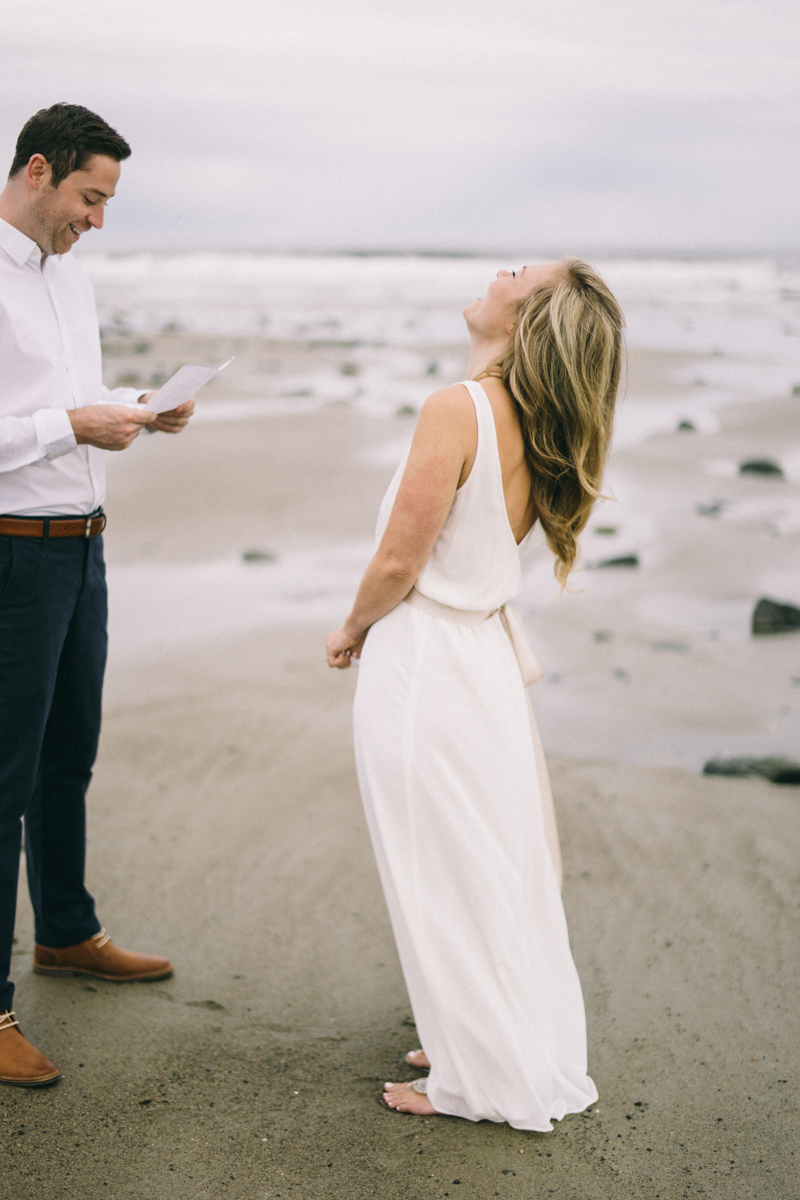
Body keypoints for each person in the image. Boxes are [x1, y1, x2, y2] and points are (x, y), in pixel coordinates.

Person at [326, 258, 622, 1129]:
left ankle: (477, 1077)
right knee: (487, 858)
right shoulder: (542, 419)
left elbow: (397, 561)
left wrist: (350, 627)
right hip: (482, 663)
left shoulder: (456, 408)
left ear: (524, 319)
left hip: (424, 660)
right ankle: (474, 1032)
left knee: (436, 863)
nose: (499, 269)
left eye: (518, 272)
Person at [0, 104, 195, 1088]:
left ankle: (66, 932)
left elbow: (61, 399)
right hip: (10, 558)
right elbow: (26, 424)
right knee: (1, 781)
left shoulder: (70, 281)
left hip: (82, 551)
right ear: (37, 171)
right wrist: (73, 423)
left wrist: (133, 412)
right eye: (91, 197)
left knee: (67, 757)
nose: (99, 219)